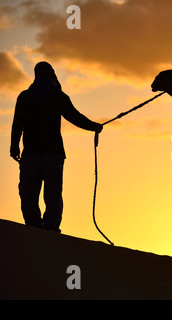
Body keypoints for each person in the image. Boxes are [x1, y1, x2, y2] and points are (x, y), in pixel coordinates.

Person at [10, 61, 103, 232]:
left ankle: (50, 228)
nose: (45, 76)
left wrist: (93, 126)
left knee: (52, 195)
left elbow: (74, 116)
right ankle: (34, 228)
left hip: (52, 155)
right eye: (42, 73)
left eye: (47, 73)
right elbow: (18, 124)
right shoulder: (25, 97)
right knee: (28, 195)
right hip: (32, 155)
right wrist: (13, 146)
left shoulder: (58, 97)